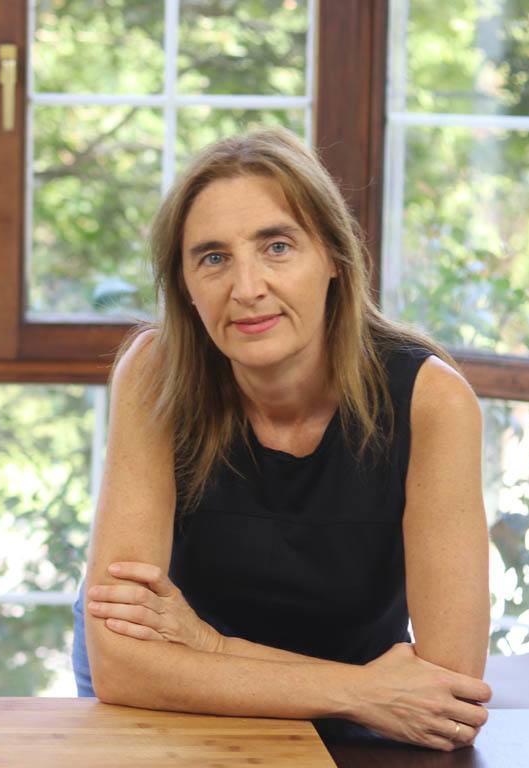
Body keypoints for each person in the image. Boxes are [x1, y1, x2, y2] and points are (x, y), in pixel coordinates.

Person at [71, 127, 492, 752]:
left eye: (277, 246)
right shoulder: (156, 373)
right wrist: (360, 689)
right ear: (185, 286)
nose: (246, 289)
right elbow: (122, 664)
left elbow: (449, 690)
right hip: (191, 699)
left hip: (362, 711)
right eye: (213, 258)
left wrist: (210, 647)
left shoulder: (431, 400)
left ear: (334, 258)